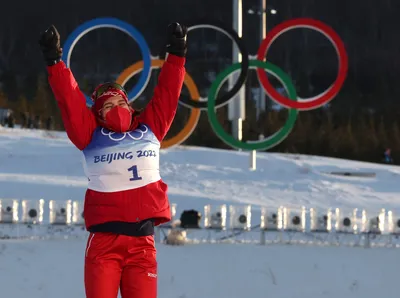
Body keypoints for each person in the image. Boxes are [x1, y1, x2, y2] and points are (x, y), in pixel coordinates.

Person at [38, 22, 187, 298]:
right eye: (107, 106)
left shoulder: (150, 128)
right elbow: (70, 101)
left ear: (130, 107)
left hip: (142, 243)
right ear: (98, 114)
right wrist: (55, 62)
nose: (115, 109)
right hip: (105, 244)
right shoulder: (90, 134)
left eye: (119, 104)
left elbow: (168, 94)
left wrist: (176, 55)